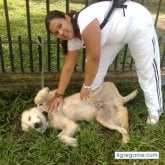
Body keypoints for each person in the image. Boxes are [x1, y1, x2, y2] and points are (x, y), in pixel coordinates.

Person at [45, 0, 163, 125]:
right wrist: (59, 95)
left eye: (60, 26)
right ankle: (96, 105)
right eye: (56, 33)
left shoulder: (85, 21)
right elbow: (68, 67)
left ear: (67, 17)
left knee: (147, 70)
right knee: (95, 72)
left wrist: (86, 86)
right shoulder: (72, 39)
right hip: (115, 35)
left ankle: (154, 111)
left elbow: (93, 58)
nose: (61, 32)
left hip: (136, 23)